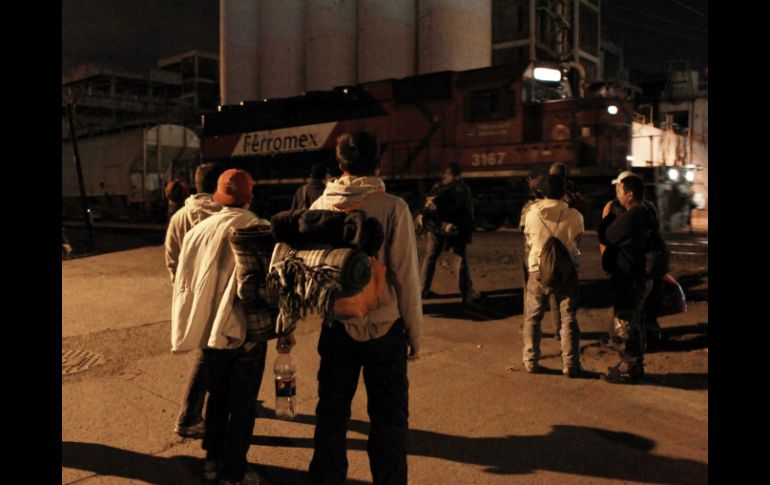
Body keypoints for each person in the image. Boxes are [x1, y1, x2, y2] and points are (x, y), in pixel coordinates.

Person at [307, 131, 423, 485]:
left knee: (331, 417)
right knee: (389, 422)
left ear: (340, 163)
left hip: (337, 328)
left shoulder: (318, 206)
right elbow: (405, 276)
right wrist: (414, 333)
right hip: (385, 331)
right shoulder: (393, 207)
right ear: (378, 163)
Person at [171, 168, 295, 484]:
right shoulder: (260, 228)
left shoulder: (198, 231)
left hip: (210, 333)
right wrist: (286, 329)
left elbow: (184, 283)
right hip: (247, 333)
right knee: (242, 406)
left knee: (217, 398)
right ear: (249, 196)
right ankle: (234, 472)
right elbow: (277, 287)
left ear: (219, 196)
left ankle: (212, 462)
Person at [164, 162, 222, 439]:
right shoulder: (225, 215)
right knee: (212, 354)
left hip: (191, 295)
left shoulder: (178, 217)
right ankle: (188, 417)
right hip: (220, 297)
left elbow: (171, 259)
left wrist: (183, 290)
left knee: (211, 352)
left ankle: (211, 407)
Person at [521, 175, 584, 377]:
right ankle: (570, 365)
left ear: (543, 192)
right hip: (566, 271)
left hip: (538, 269)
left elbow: (529, 239)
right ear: (564, 193)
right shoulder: (575, 216)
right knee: (569, 318)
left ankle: (531, 360)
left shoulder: (531, 213)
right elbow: (577, 244)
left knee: (533, 317)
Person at [598, 174, 657, 383]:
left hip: (628, 277)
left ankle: (629, 368)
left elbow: (606, 236)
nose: (616, 195)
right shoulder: (647, 211)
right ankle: (634, 366)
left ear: (629, 195)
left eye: (619, 191)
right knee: (633, 322)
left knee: (624, 325)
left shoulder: (632, 216)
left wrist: (607, 216)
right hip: (639, 276)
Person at [418, 162, 481, 305]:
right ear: (459, 174)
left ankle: (422, 290)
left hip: (436, 229)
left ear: (446, 173)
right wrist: (468, 230)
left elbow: (428, 209)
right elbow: (468, 212)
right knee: (460, 260)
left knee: (430, 257)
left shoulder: (436, 187)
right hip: (454, 230)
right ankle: (467, 295)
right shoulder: (462, 188)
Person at [520, 174, 562, 340]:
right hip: (556, 256)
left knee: (533, 299)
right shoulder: (562, 207)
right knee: (555, 294)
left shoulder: (530, 208)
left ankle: (531, 345)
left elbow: (523, 228)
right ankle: (559, 330)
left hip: (534, 257)